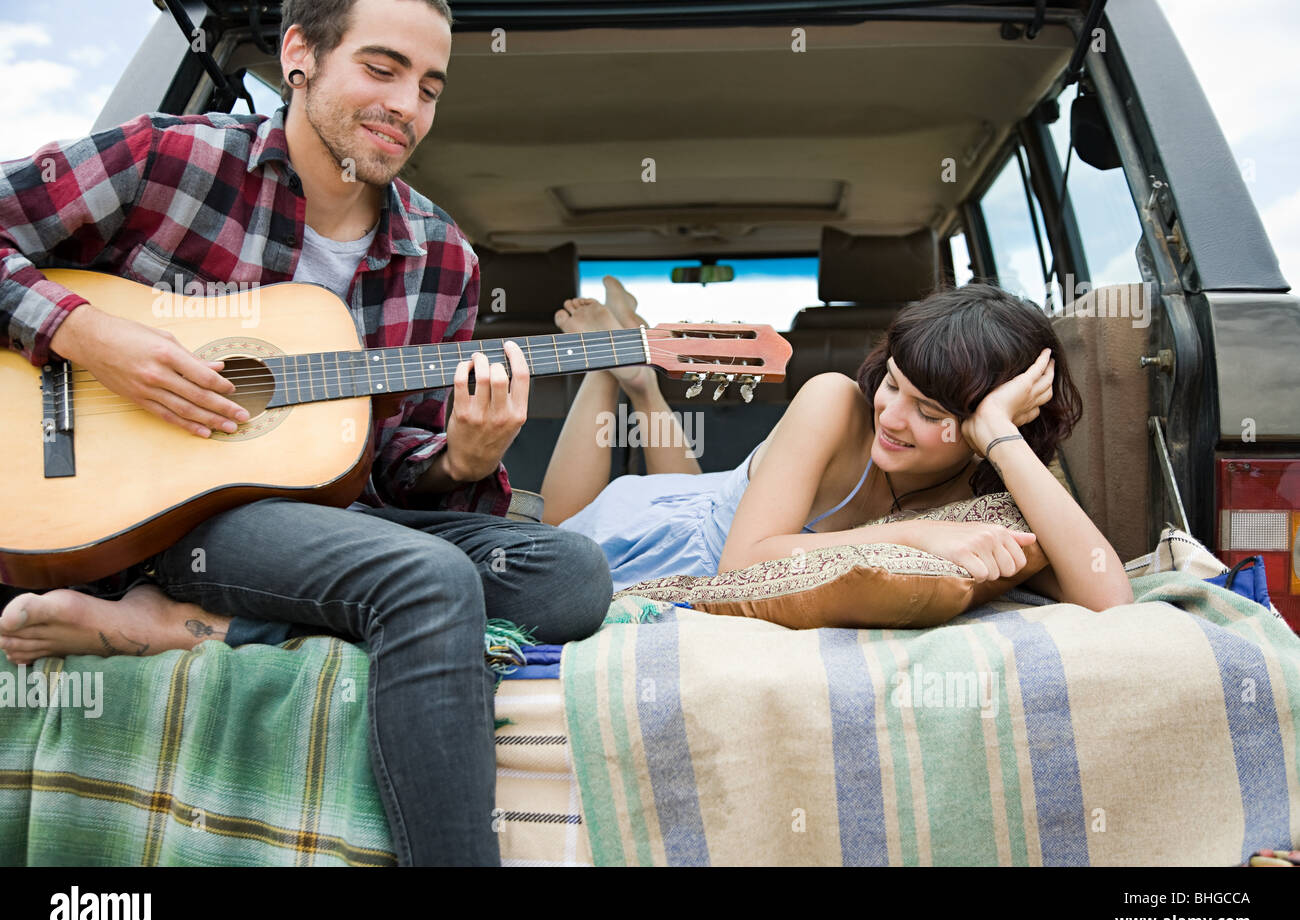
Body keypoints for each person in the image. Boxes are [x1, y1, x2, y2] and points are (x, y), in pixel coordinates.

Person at [0, 0, 613, 866]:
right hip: (151, 516)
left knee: (570, 576)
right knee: (427, 580)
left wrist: (459, 463)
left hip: (318, 525)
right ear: (299, 55)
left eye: (430, 87)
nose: (408, 104)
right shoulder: (171, 159)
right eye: (382, 67)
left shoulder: (444, 258)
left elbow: (398, 469)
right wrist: (88, 335)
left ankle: (180, 625)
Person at [542, 279, 1134, 612]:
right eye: (895, 383)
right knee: (555, 532)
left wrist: (1003, 440)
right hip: (668, 527)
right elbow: (740, 566)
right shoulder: (835, 401)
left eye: (928, 412)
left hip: (721, 500)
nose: (892, 417)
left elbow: (1111, 600)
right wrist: (911, 532)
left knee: (711, 488)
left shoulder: (995, 474)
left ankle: (637, 378)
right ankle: (614, 362)